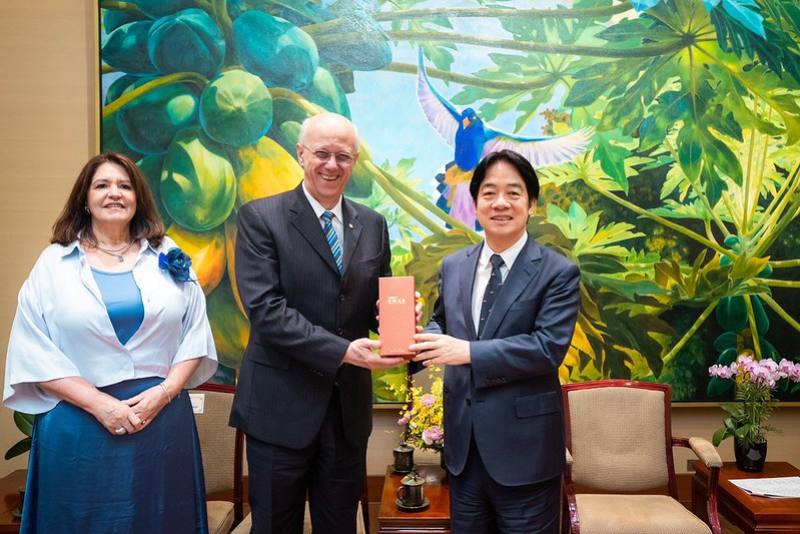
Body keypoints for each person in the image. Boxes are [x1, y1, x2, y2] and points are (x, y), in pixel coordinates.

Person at [3, 152, 218, 534]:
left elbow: (195, 334)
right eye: (102, 185)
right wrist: (101, 405)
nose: (114, 193)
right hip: (77, 425)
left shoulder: (168, 255)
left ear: (138, 197)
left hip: (160, 421)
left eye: (125, 185)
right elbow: (31, 348)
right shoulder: (53, 264)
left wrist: (165, 392)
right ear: (84, 199)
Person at [229, 112, 405, 533]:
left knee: (340, 525)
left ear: (355, 159)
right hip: (278, 407)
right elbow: (266, 310)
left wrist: (398, 318)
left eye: (342, 156)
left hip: (346, 414)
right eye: (321, 154)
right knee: (275, 526)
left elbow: (372, 305)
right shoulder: (260, 218)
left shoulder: (373, 224)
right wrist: (343, 350)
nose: (332, 165)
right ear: (300, 154)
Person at [410, 149, 580, 533]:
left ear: (531, 204)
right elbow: (442, 324)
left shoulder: (558, 272)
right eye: (489, 193)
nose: (500, 203)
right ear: (475, 202)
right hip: (463, 451)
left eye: (513, 193)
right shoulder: (454, 266)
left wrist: (466, 352)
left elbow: (546, 348)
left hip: (526, 454)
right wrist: (413, 337)